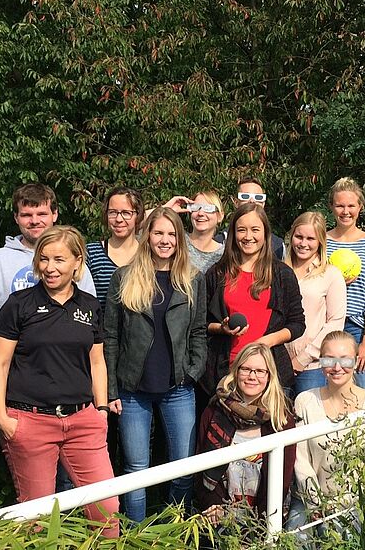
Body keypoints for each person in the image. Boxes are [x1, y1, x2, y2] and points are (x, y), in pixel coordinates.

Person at [0, 225, 119, 536]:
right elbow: (0, 363)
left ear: (77, 262)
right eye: (44, 259)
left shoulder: (89, 305)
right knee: (36, 519)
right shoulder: (19, 304)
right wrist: (2, 418)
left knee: (107, 509)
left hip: (83, 421)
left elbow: (97, 361)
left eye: (59, 259)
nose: (49, 267)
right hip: (31, 422)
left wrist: (101, 410)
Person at [103, 207, 207, 522]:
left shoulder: (192, 279)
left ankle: (174, 531)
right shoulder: (124, 277)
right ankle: (135, 534)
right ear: (147, 235)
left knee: (183, 467)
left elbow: (199, 332)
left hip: (178, 387)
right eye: (158, 232)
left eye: (171, 234)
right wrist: (111, 389)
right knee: (136, 470)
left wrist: (193, 372)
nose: (165, 240)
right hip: (133, 389)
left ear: (180, 239)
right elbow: (111, 336)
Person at [0, 183, 95, 367]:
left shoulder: (72, 263)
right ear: (16, 217)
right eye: (26, 215)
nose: (34, 221)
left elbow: (89, 319)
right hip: (9, 368)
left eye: (42, 214)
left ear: (55, 214)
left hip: (64, 368)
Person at [287, 331, 365, 530]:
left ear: (356, 360)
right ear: (321, 362)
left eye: (345, 360)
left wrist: (340, 506)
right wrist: (316, 502)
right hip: (309, 499)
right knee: (295, 537)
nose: (337, 367)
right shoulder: (305, 401)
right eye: (329, 359)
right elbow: (301, 460)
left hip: (355, 501)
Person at [203, 203, 306, 401]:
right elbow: (201, 323)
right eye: (241, 230)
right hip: (225, 373)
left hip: (269, 374)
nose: (248, 236)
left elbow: (297, 324)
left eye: (255, 230)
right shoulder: (217, 273)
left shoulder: (282, 274)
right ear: (233, 234)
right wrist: (221, 328)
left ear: (265, 233)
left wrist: (267, 341)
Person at [196, 343, 296, 524]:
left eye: (260, 371)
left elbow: (283, 477)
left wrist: (261, 521)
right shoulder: (215, 410)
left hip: (265, 515)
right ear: (236, 371)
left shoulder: (281, 418)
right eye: (246, 369)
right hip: (219, 513)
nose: (252, 376)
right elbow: (201, 462)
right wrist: (213, 505)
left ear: (269, 376)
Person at [326, 177, 365, 390]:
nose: (345, 211)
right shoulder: (322, 240)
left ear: (360, 207)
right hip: (326, 326)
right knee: (327, 391)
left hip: (357, 327)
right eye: (340, 205)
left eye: (351, 206)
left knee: (361, 392)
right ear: (331, 207)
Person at [284, 212, 347, 395]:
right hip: (278, 361)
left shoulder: (331, 274)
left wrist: (303, 358)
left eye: (310, 239)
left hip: (312, 366)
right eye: (299, 237)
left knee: (309, 412)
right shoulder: (278, 270)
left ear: (320, 241)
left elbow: (335, 323)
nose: (303, 243)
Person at [87, 186, 143, 308]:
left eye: (126, 213)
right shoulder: (90, 254)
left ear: (137, 216)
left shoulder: (148, 254)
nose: (118, 219)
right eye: (113, 212)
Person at [214, 177, 285, 259]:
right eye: (245, 196)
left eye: (258, 197)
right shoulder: (219, 243)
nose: (252, 201)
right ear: (236, 202)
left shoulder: (278, 246)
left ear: (263, 204)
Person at [186, 191, 226, 273]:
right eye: (195, 207)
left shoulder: (224, 254)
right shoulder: (178, 241)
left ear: (220, 216)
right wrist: (167, 209)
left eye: (208, 208)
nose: (200, 213)